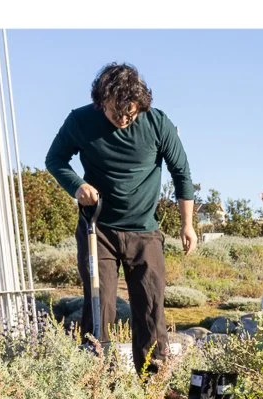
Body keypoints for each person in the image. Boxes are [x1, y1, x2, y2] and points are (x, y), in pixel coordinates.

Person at [46, 62, 196, 375]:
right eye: (118, 113)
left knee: (151, 310)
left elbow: (181, 172)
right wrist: (77, 185)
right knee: (101, 306)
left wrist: (187, 224)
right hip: (97, 230)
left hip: (144, 231)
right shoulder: (80, 120)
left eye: (132, 113)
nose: (125, 120)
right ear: (101, 102)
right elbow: (55, 159)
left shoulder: (157, 122)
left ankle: (152, 385)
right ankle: (96, 384)